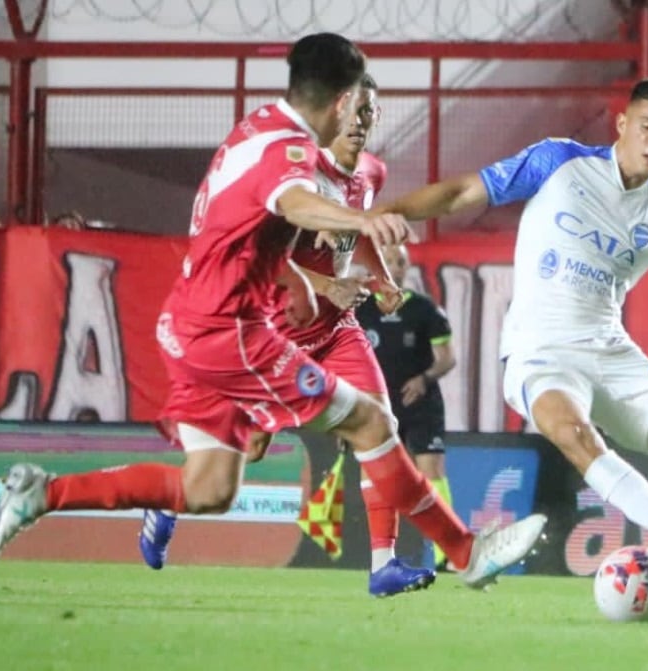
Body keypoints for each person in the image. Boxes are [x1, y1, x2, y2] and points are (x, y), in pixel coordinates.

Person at [0, 33, 547, 592]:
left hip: (191, 322)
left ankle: (42, 494)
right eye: (359, 105)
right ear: (345, 100)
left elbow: (255, 225)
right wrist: (357, 225)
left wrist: (332, 271)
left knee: (209, 489)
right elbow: (293, 200)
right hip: (235, 332)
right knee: (370, 420)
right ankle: (466, 553)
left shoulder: (256, 129)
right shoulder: (289, 152)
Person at [376, 76, 648, 627]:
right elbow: (465, 191)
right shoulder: (559, 162)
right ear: (624, 125)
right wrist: (387, 213)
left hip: (611, 353)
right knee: (574, 433)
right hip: (540, 351)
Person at [139, 75, 439, 598]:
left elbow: (360, 233)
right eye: (355, 111)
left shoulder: (371, 172)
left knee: (380, 427)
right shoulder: (294, 174)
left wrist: (383, 283)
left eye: (372, 113)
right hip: (282, 330)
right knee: (246, 448)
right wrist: (325, 284)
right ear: (332, 112)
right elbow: (258, 258)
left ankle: (385, 565)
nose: (363, 122)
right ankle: (165, 503)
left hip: (338, 331)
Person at [356, 243, 457, 570]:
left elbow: (447, 359)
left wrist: (424, 379)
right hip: (377, 406)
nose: (395, 267)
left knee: (432, 471)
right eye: (388, 261)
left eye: (400, 262)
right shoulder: (361, 310)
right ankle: (382, 554)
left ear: (407, 267)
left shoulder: (425, 310)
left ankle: (447, 551)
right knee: (375, 472)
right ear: (376, 266)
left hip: (421, 403)